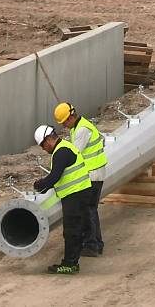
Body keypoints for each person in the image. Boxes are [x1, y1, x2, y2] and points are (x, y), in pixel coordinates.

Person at [33, 124, 91, 275]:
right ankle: (72, 262)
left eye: (42, 145)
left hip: (75, 195)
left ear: (47, 140)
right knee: (75, 229)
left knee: (72, 231)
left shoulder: (61, 152)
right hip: (78, 193)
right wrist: (46, 186)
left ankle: (69, 264)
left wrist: (40, 185)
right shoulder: (64, 148)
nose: (44, 149)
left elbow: (55, 176)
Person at [54, 102, 108, 257]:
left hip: (92, 175)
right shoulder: (81, 126)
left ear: (71, 117)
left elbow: (74, 154)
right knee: (91, 210)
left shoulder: (82, 130)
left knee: (88, 210)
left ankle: (92, 245)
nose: (64, 125)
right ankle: (96, 243)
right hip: (95, 173)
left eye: (65, 121)